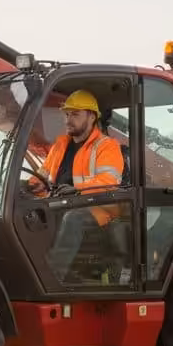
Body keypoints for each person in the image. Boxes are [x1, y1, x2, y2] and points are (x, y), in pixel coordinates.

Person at [28, 89, 125, 280]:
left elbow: (109, 181)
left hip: (96, 208)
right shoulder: (60, 145)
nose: (68, 119)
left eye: (75, 114)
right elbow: (41, 176)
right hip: (58, 203)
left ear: (91, 117)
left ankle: (52, 279)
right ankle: (31, 271)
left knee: (73, 218)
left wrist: (76, 190)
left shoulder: (107, 146)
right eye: (67, 114)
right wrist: (30, 186)